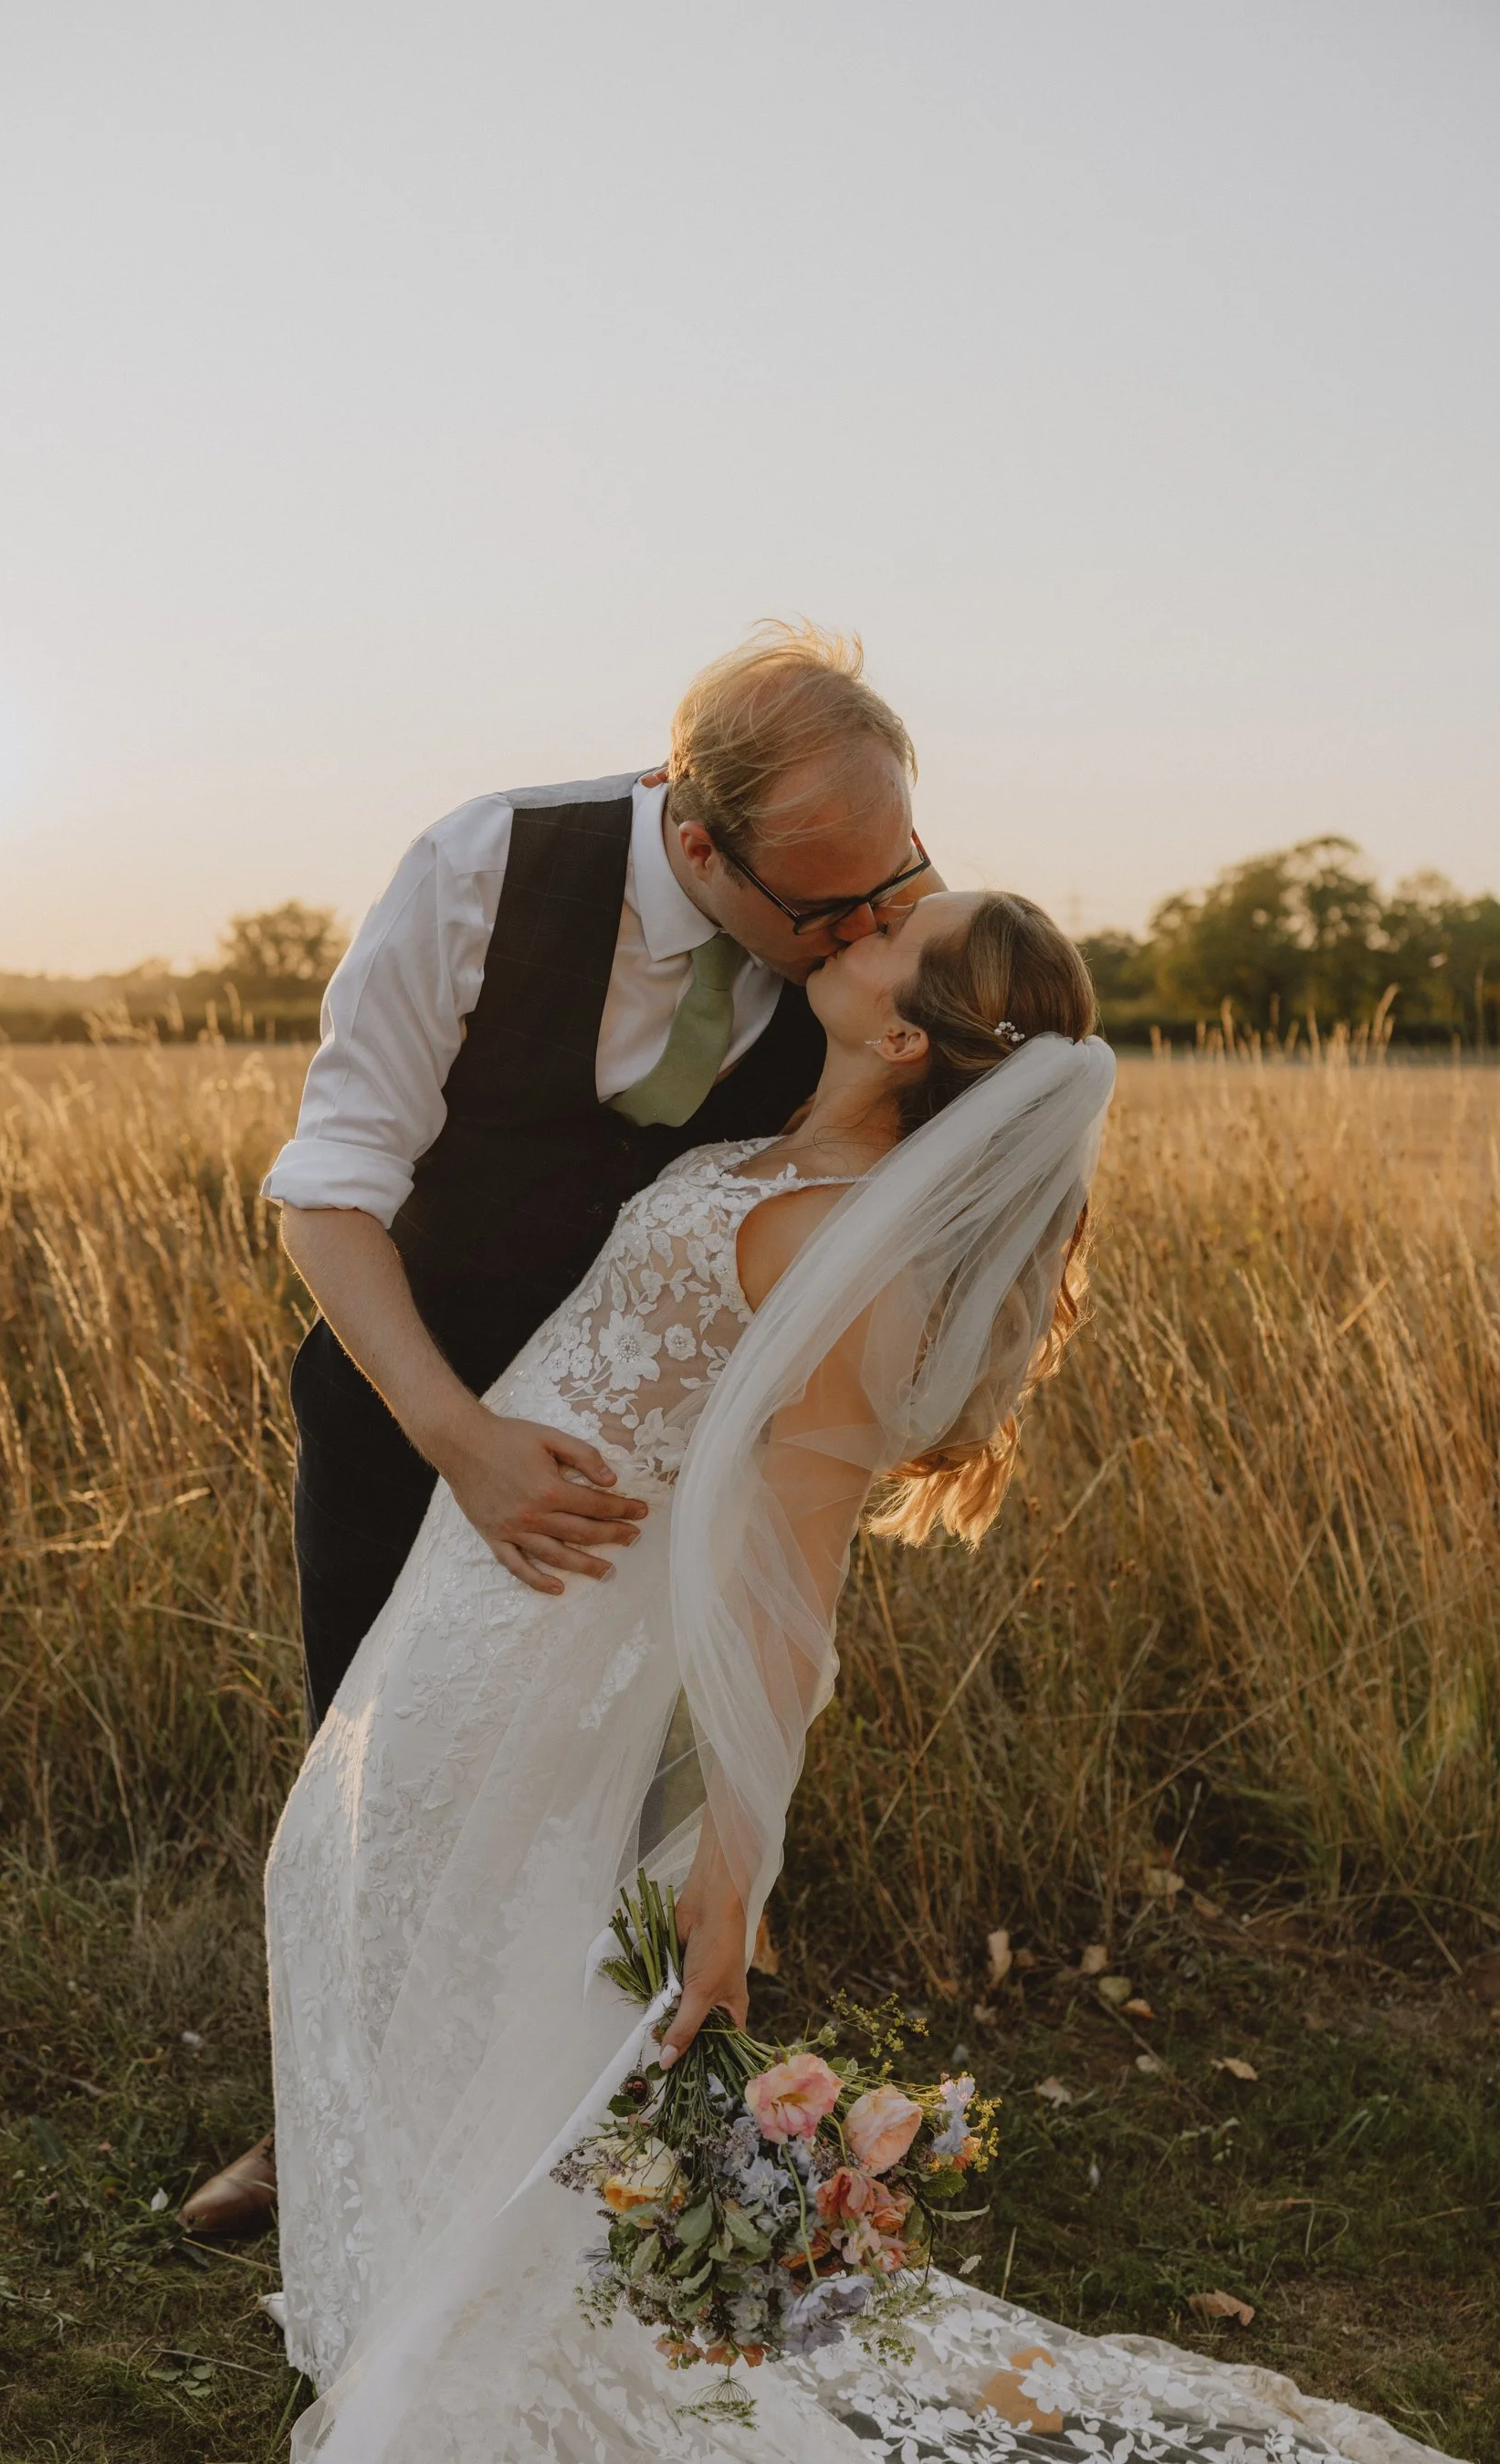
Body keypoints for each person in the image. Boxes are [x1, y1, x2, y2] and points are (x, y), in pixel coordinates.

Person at [265, 891, 1445, 2464]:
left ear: (904, 1032)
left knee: (470, 1932)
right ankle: (404, 2267)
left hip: (562, 1636)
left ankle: (492, 2313)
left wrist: (733, 1883)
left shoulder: (860, 1245)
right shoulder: (765, 1133)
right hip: (473, 1572)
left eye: (901, 932)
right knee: (350, 1886)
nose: (873, 916)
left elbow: (796, 1589)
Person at [182, 622, 938, 2237]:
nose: (872, 927)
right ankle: (322, 2122)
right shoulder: (482, 870)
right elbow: (328, 1188)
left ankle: (590, 2128)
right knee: (380, 1769)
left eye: (896, 881)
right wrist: (458, 1434)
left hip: (662, 1465)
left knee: (612, 1798)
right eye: (823, 908)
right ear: (693, 834)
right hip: (415, 1400)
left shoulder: (869, 932)